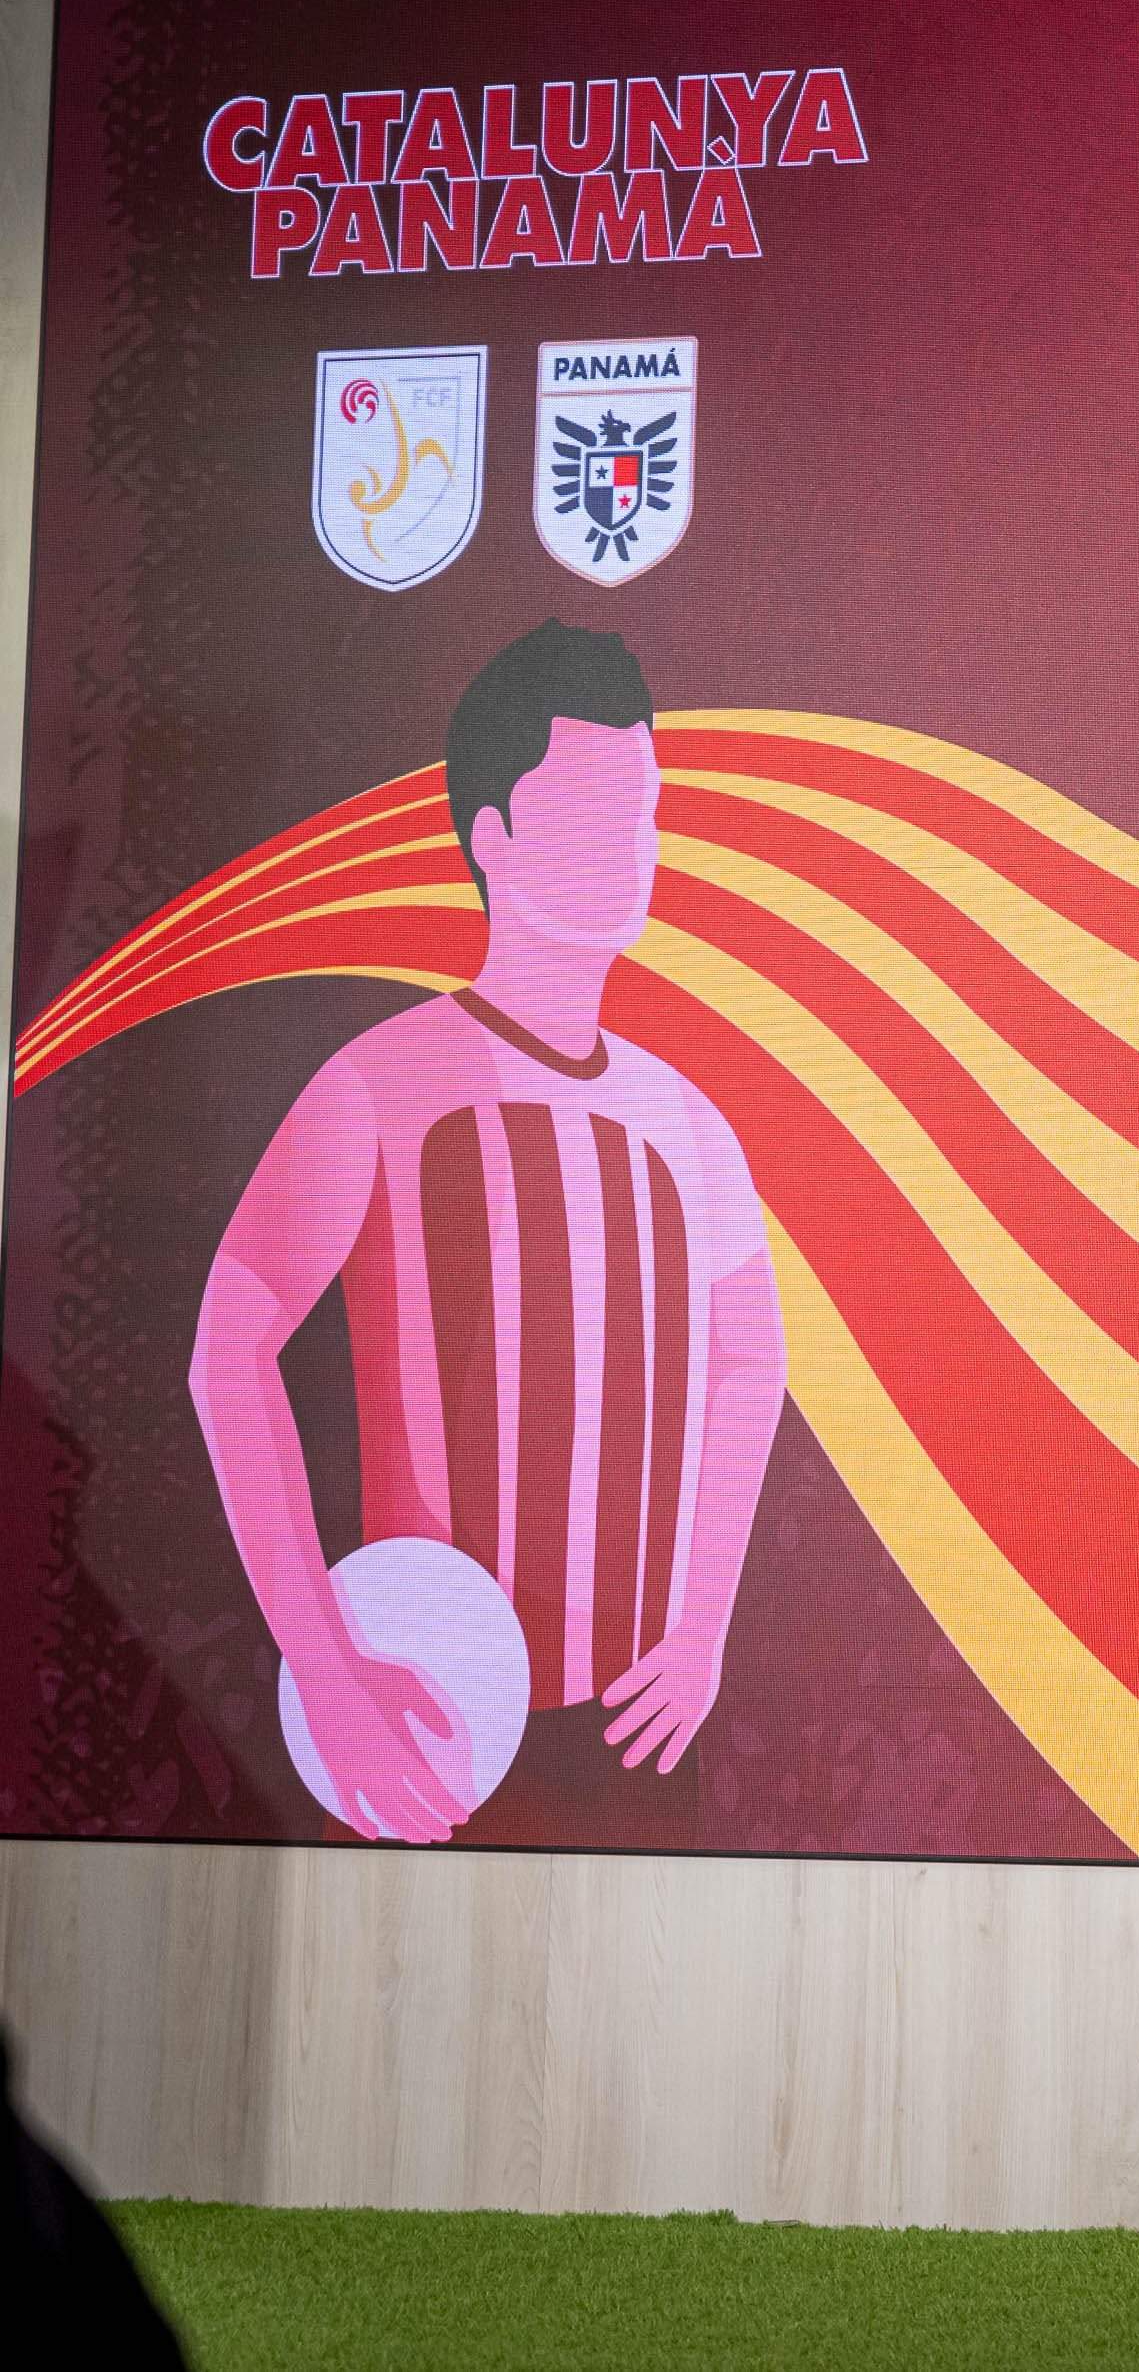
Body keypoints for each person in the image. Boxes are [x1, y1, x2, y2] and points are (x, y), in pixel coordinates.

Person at [186, 621, 788, 1845]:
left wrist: (703, 1627)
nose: (629, 851)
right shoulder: (375, 1086)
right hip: (427, 1712)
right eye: (590, 811)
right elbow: (227, 1350)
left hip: (641, 1727)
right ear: (494, 840)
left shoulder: (688, 1118)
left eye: (644, 812)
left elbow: (752, 1358)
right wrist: (332, 1671)